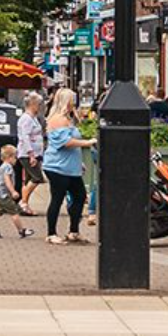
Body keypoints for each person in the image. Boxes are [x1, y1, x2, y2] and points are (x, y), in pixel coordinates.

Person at [42, 88, 96, 245]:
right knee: (57, 199)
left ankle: (73, 231)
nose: (75, 103)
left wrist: (79, 163)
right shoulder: (59, 119)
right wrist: (88, 142)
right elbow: (66, 143)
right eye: (73, 100)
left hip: (70, 167)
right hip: (57, 167)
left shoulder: (68, 119)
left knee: (79, 196)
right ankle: (51, 233)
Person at [0, 144, 35, 239]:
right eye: (15, 157)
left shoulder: (0, 167)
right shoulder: (8, 167)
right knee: (14, 212)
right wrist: (13, 191)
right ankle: (22, 231)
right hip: (5, 196)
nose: (16, 160)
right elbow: (7, 179)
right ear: (9, 157)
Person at [17, 92, 48, 215]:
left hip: (35, 153)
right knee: (37, 177)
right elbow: (25, 137)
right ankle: (23, 202)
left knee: (29, 179)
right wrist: (31, 154)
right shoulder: (26, 119)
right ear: (33, 104)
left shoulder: (33, 118)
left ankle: (25, 205)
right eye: (39, 104)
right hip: (28, 154)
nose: (40, 107)